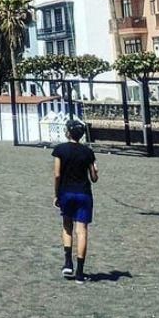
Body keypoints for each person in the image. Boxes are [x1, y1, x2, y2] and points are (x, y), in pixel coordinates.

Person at [53, 119, 99, 284]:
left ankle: (67, 263)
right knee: (82, 231)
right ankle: (80, 272)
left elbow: (57, 174)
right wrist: (95, 169)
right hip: (84, 194)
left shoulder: (60, 150)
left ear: (68, 132)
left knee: (67, 226)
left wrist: (56, 194)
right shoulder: (88, 152)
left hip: (67, 192)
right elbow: (94, 178)